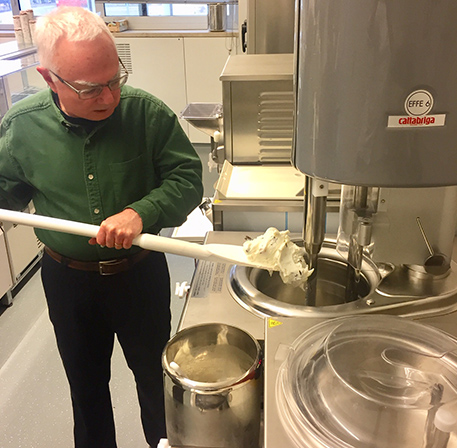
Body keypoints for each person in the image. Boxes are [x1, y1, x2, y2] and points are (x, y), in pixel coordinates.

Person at [0, 6, 203, 448]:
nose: (109, 98)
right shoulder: (21, 128)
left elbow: (188, 180)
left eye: (115, 80)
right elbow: (7, 193)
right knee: (86, 389)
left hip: (139, 276)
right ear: (49, 78)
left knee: (157, 385)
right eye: (91, 88)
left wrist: (143, 211)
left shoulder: (146, 115)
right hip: (68, 281)